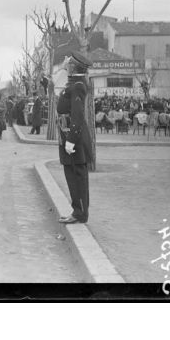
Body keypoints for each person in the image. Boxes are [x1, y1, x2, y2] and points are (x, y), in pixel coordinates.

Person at [57, 52, 93, 224]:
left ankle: (80, 213)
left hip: (74, 137)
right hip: (69, 134)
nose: (66, 65)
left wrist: (71, 139)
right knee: (72, 174)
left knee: (76, 176)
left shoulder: (77, 85)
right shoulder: (73, 82)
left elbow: (77, 115)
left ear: (74, 67)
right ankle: (78, 210)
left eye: (68, 64)